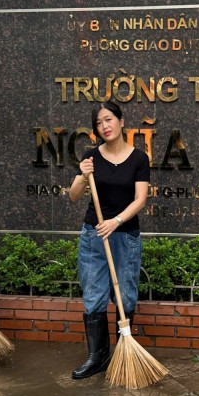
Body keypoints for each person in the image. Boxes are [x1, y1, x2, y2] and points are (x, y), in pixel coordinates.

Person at [68, 101, 150, 380]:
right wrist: (83, 175)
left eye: (109, 119)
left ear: (121, 121)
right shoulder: (91, 157)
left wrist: (115, 222)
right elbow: (74, 195)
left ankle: (121, 354)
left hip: (125, 235)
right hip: (94, 235)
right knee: (94, 293)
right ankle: (97, 356)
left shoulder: (139, 159)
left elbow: (140, 200)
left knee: (125, 293)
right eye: (99, 123)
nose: (105, 126)